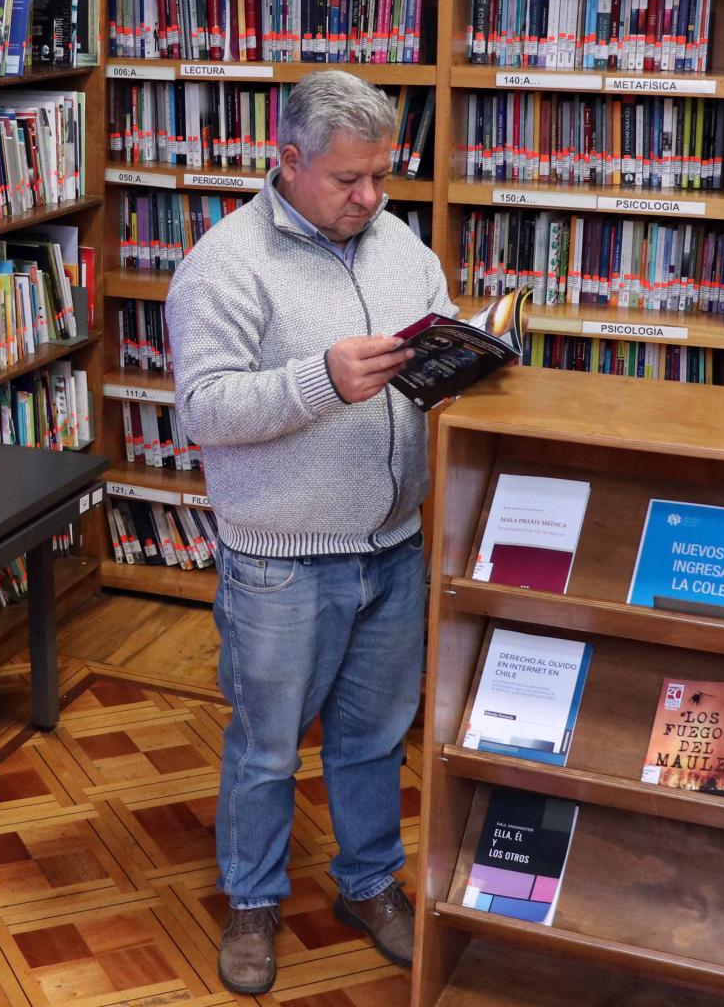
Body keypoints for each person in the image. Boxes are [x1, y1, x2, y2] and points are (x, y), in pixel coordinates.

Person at [166, 70, 453, 994]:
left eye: (381, 177)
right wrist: (319, 379)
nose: (370, 199)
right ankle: (251, 906)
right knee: (266, 747)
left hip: (392, 546)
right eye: (348, 181)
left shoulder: (398, 244)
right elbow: (203, 411)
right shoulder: (223, 264)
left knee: (375, 740)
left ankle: (368, 884)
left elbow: (428, 334)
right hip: (282, 564)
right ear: (287, 163)